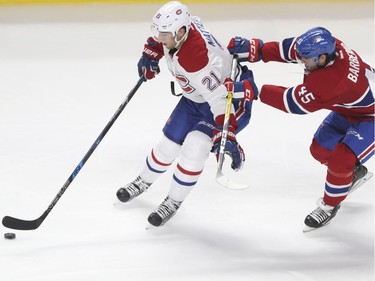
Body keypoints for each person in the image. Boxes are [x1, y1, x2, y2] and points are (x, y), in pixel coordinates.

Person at [116, 1, 258, 227]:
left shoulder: (195, 59)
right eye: (158, 32)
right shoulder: (181, 29)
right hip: (197, 95)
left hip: (228, 99)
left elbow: (219, 99)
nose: (160, 38)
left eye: (164, 35)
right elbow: (167, 35)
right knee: (167, 145)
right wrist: (151, 52)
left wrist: (226, 132)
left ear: (181, 32)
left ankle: (173, 201)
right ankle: (143, 181)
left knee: (195, 146)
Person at [226, 27, 374, 231]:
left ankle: (329, 205)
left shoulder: (333, 82)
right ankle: (354, 173)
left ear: (322, 58)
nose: (301, 61)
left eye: (306, 59)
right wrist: (256, 50)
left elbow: (293, 102)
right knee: (320, 149)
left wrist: (255, 91)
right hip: (350, 107)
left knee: (342, 160)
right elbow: (290, 49)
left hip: (370, 118)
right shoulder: (328, 48)